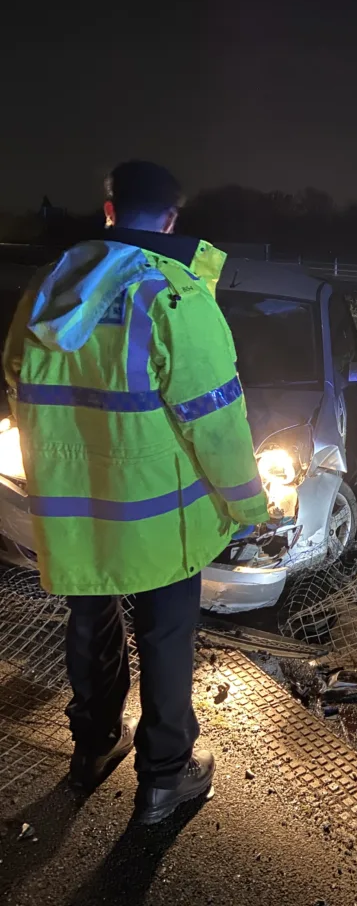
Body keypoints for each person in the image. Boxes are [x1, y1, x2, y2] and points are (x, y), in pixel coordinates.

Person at [3, 161, 270, 824]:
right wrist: (245, 508)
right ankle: (162, 781)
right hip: (160, 517)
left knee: (90, 623)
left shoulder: (49, 286)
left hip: (77, 508)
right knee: (165, 638)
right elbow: (216, 418)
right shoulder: (174, 293)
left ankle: (93, 748)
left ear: (109, 211)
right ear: (173, 220)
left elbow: (17, 378)